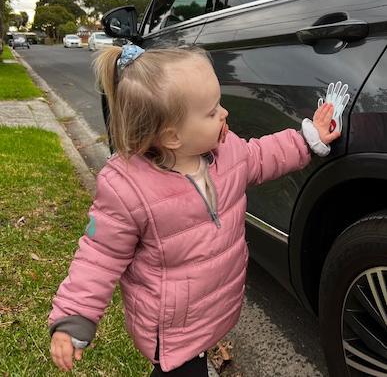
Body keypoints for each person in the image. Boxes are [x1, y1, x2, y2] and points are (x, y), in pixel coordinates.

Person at [49, 44, 342, 376]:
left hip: (211, 309)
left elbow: (263, 155)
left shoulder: (227, 151)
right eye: (212, 110)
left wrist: (308, 139)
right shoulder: (128, 189)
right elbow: (98, 257)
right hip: (172, 331)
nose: (224, 113)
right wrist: (73, 318)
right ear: (173, 136)